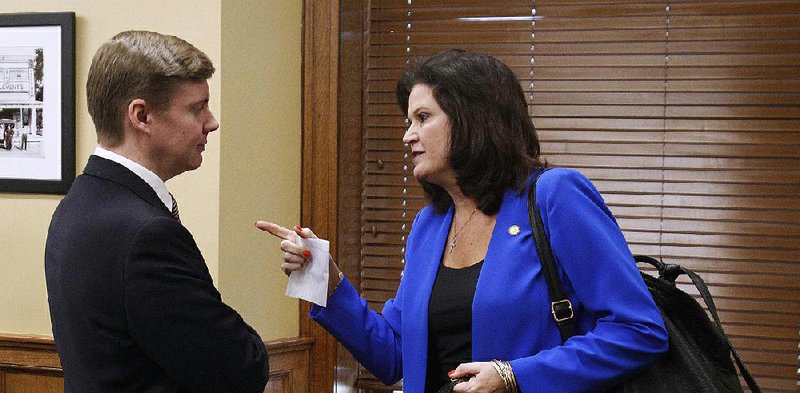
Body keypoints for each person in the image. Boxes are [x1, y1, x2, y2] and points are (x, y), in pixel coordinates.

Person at [257, 49, 668, 393]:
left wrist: (514, 377)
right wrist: (328, 284)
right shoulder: (428, 226)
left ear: (472, 118)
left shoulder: (554, 195)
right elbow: (396, 357)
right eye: (408, 121)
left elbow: (639, 330)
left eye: (422, 117)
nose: (407, 135)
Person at [45, 30, 269, 393]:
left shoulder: (78, 202)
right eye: (197, 108)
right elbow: (241, 368)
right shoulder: (146, 234)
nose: (211, 122)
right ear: (142, 115)